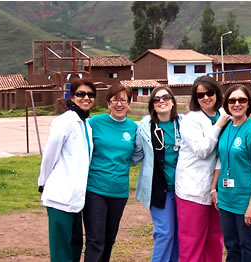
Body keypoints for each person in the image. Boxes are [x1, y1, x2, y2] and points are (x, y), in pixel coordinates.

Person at [37, 78, 96, 262]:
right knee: (62, 250)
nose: (86, 98)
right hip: (60, 196)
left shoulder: (86, 124)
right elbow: (49, 154)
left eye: (90, 95)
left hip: (76, 198)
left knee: (75, 245)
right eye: (81, 94)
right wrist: (43, 181)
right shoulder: (64, 121)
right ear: (72, 96)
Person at [210, 84, 251, 262]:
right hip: (226, 200)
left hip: (246, 201)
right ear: (226, 104)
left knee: (249, 248)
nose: (237, 104)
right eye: (232, 100)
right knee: (232, 247)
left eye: (242, 100)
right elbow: (221, 159)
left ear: (248, 104)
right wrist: (214, 188)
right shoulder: (226, 128)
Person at [175, 76, 230, 262]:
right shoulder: (191, 120)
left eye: (210, 93)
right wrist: (218, 126)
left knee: (215, 240)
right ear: (195, 98)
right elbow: (202, 150)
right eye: (200, 95)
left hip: (217, 189)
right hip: (193, 190)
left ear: (217, 93)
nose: (206, 97)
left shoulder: (224, 113)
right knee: (192, 243)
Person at [83, 84, 138, 262]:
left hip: (119, 191)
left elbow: (136, 154)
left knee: (109, 239)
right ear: (108, 103)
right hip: (95, 189)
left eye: (123, 100)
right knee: (95, 238)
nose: (119, 104)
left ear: (129, 103)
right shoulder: (94, 122)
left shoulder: (133, 128)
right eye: (115, 100)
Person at [132, 86, 182, 262]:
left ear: (173, 101)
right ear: (152, 105)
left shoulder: (184, 123)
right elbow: (136, 153)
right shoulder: (145, 126)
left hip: (183, 189)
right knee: (165, 232)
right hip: (158, 188)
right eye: (156, 99)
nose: (162, 101)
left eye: (166, 97)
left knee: (179, 233)